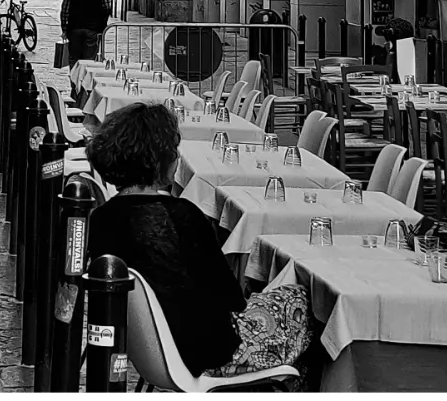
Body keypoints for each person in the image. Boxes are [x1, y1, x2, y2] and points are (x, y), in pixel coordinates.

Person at [86, 102, 314, 384]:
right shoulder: (183, 216)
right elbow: (232, 299)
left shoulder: (100, 219)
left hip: (153, 351)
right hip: (212, 355)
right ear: (161, 159)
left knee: (280, 301)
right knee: (302, 300)